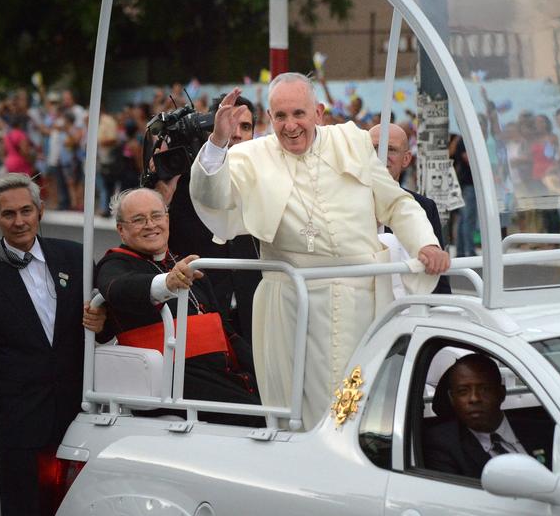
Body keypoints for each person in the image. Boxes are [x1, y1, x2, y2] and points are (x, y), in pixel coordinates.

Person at [189, 72, 450, 427]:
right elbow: (212, 197)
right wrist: (219, 142)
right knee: (309, 412)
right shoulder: (252, 156)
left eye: (299, 114)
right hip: (296, 306)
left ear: (319, 113)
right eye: (280, 116)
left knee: (364, 405)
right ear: (270, 117)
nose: (290, 126)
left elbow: (397, 204)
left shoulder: (352, 143)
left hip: (363, 302)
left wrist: (426, 243)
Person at [0, 173, 106, 516]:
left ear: (41, 210)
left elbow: (106, 315)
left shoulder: (75, 257)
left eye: (26, 211)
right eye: (8, 214)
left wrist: (103, 319)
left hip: (79, 413)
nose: (19, 221)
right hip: (21, 422)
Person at [95, 188, 261, 426]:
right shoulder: (115, 264)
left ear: (167, 219)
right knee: (261, 416)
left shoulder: (185, 264)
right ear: (121, 229)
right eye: (138, 220)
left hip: (220, 377)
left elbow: (227, 334)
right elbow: (118, 288)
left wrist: (265, 372)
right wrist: (167, 283)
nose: (150, 225)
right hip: (177, 385)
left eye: (156, 216)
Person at [151, 93, 261, 346]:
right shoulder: (184, 178)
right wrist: (163, 199)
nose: (237, 133)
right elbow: (150, 237)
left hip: (253, 311)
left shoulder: (266, 177)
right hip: (199, 313)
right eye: (230, 123)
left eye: (245, 126)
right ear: (212, 128)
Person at [423, 353, 553, 478]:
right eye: (463, 391)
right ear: (452, 399)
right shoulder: (443, 445)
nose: (474, 398)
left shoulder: (544, 431)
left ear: (501, 393)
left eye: (484, 389)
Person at [369, 122, 451, 294]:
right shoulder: (342, 202)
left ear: (406, 159)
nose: (381, 156)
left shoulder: (423, 207)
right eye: (373, 148)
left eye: (390, 149)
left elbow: (439, 284)